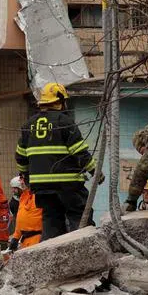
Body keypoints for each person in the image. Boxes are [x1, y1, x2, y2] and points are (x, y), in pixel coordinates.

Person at [15, 82, 94, 240]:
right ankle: (83, 247)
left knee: (51, 221)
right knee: (79, 217)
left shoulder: (28, 126)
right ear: (60, 101)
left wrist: (27, 178)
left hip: (41, 187)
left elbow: (20, 157)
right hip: (68, 184)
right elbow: (79, 151)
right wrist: (94, 170)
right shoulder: (65, 122)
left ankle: (49, 250)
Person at [7, 176, 43, 251]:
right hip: (25, 241)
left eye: (15, 188)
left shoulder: (37, 196)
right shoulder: (23, 198)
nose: (13, 191)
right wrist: (16, 238)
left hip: (36, 239)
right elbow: (20, 221)